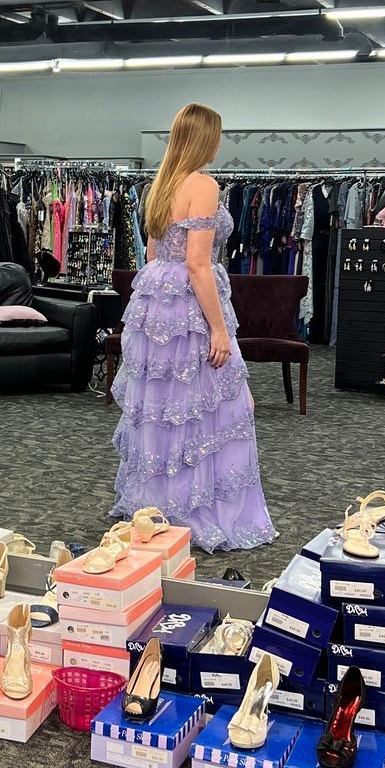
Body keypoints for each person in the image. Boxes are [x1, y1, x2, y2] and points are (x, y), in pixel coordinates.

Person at [111, 102, 276, 554]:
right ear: (204, 138)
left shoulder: (160, 184)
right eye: (217, 135)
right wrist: (219, 330)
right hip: (187, 302)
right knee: (213, 402)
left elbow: (152, 253)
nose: (220, 143)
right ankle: (197, 508)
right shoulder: (203, 184)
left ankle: (160, 507)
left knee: (165, 406)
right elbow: (199, 264)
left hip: (154, 302)